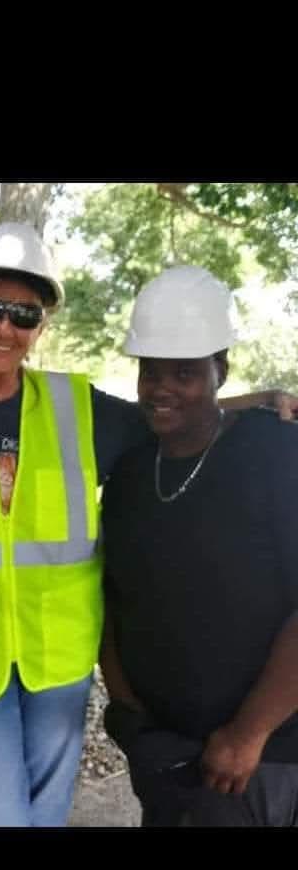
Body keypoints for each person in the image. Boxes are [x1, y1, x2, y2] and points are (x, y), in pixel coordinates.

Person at [0, 224, 298, 827]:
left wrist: (258, 399)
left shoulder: (72, 405)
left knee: (45, 812)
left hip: (56, 657)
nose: (6, 327)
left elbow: (169, 410)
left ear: (42, 325)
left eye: (25, 314)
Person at [100, 264, 298, 826]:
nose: (161, 388)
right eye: (150, 371)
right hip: (164, 753)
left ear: (221, 370)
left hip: (257, 759)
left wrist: (248, 732)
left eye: (184, 373)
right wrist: (131, 717)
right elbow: (113, 600)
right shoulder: (133, 472)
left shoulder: (275, 453)